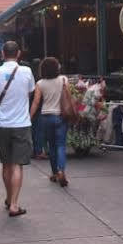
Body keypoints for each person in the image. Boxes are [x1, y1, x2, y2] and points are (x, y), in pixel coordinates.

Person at [0, 40, 34, 217]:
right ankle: (14, 204)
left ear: (2, 54)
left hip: (3, 124)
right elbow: (30, 91)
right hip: (21, 124)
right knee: (17, 165)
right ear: (18, 54)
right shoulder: (27, 71)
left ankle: (9, 198)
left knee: (6, 163)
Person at [30, 57, 70, 187]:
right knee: (61, 145)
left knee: (52, 146)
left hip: (46, 117)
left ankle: (54, 173)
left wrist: (29, 117)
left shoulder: (40, 83)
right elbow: (68, 97)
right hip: (60, 116)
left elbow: (36, 102)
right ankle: (61, 170)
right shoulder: (64, 80)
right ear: (56, 68)